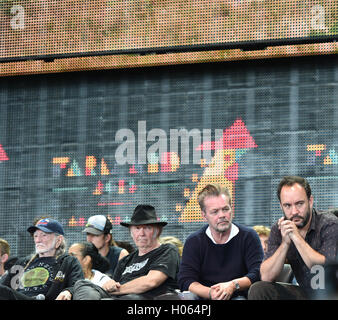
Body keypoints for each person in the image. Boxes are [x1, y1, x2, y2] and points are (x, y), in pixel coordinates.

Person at [248, 175, 338, 300]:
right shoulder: (279, 229)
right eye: (288, 206)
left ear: (310, 201)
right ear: (281, 206)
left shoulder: (329, 224)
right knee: (259, 289)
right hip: (304, 292)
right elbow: (267, 276)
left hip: (331, 291)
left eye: (299, 204)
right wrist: (285, 243)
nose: (294, 211)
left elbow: (323, 270)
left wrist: (296, 237)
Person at [73, 205, 180, 300]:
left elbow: (151, 281)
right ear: (131, 233)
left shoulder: (167, 250)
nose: (141, 233)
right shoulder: (126, 260)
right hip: (117, 296)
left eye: (147, 228)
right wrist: (110, 285)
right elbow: (114, 285)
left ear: (158, 231)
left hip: (146, 298)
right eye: (137, 228)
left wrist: (118, 290)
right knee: (82, 284)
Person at [178, 183, 264, 300]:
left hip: (238, 295)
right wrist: (211, 293)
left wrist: (233, 285)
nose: (222, 215)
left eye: (225, 209)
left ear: (231, 209)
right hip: (204, 297)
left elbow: (257, 273)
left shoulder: (248, 236)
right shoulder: (194, 241)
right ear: (204, 215)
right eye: (215, 212)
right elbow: (186, 280)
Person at [0, 218, 84, 300]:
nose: (38, 240)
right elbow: (4, 287)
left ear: (58, 240)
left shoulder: (68, 262)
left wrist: (68, 291)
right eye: (35, 236)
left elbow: (78, 286)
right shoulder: (22, 263)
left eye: (44, 235)